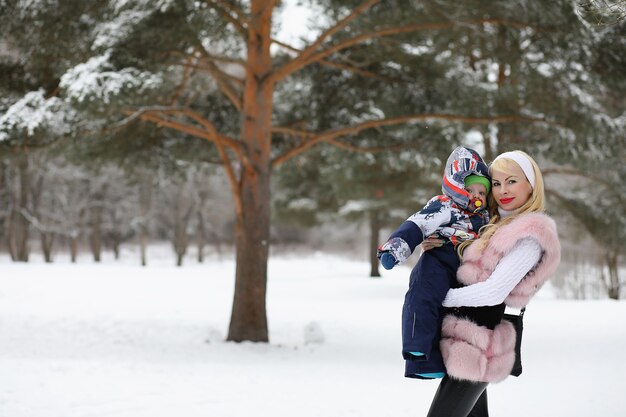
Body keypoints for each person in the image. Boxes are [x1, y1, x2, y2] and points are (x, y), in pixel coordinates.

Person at [424, 150, 561, 417]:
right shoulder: (491, 224)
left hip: (480, 347)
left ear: (531, 184)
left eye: (512, 181)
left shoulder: (530, 235)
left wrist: (439, 296)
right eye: (496, 183)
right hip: (465, 340)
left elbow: (493, 291)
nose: (503, 190)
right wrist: (438, 246)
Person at [377, 146, 491, 379]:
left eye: (482, 192)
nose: (477, 196)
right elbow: (418, 225)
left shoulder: (485, 218)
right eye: (471, 189)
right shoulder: (445, 205)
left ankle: (447, 360)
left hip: (466, 267)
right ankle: (418, 354)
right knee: (423, 295)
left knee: (449, 317)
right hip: (439, 258)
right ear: (457, 185)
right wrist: (395, 248)